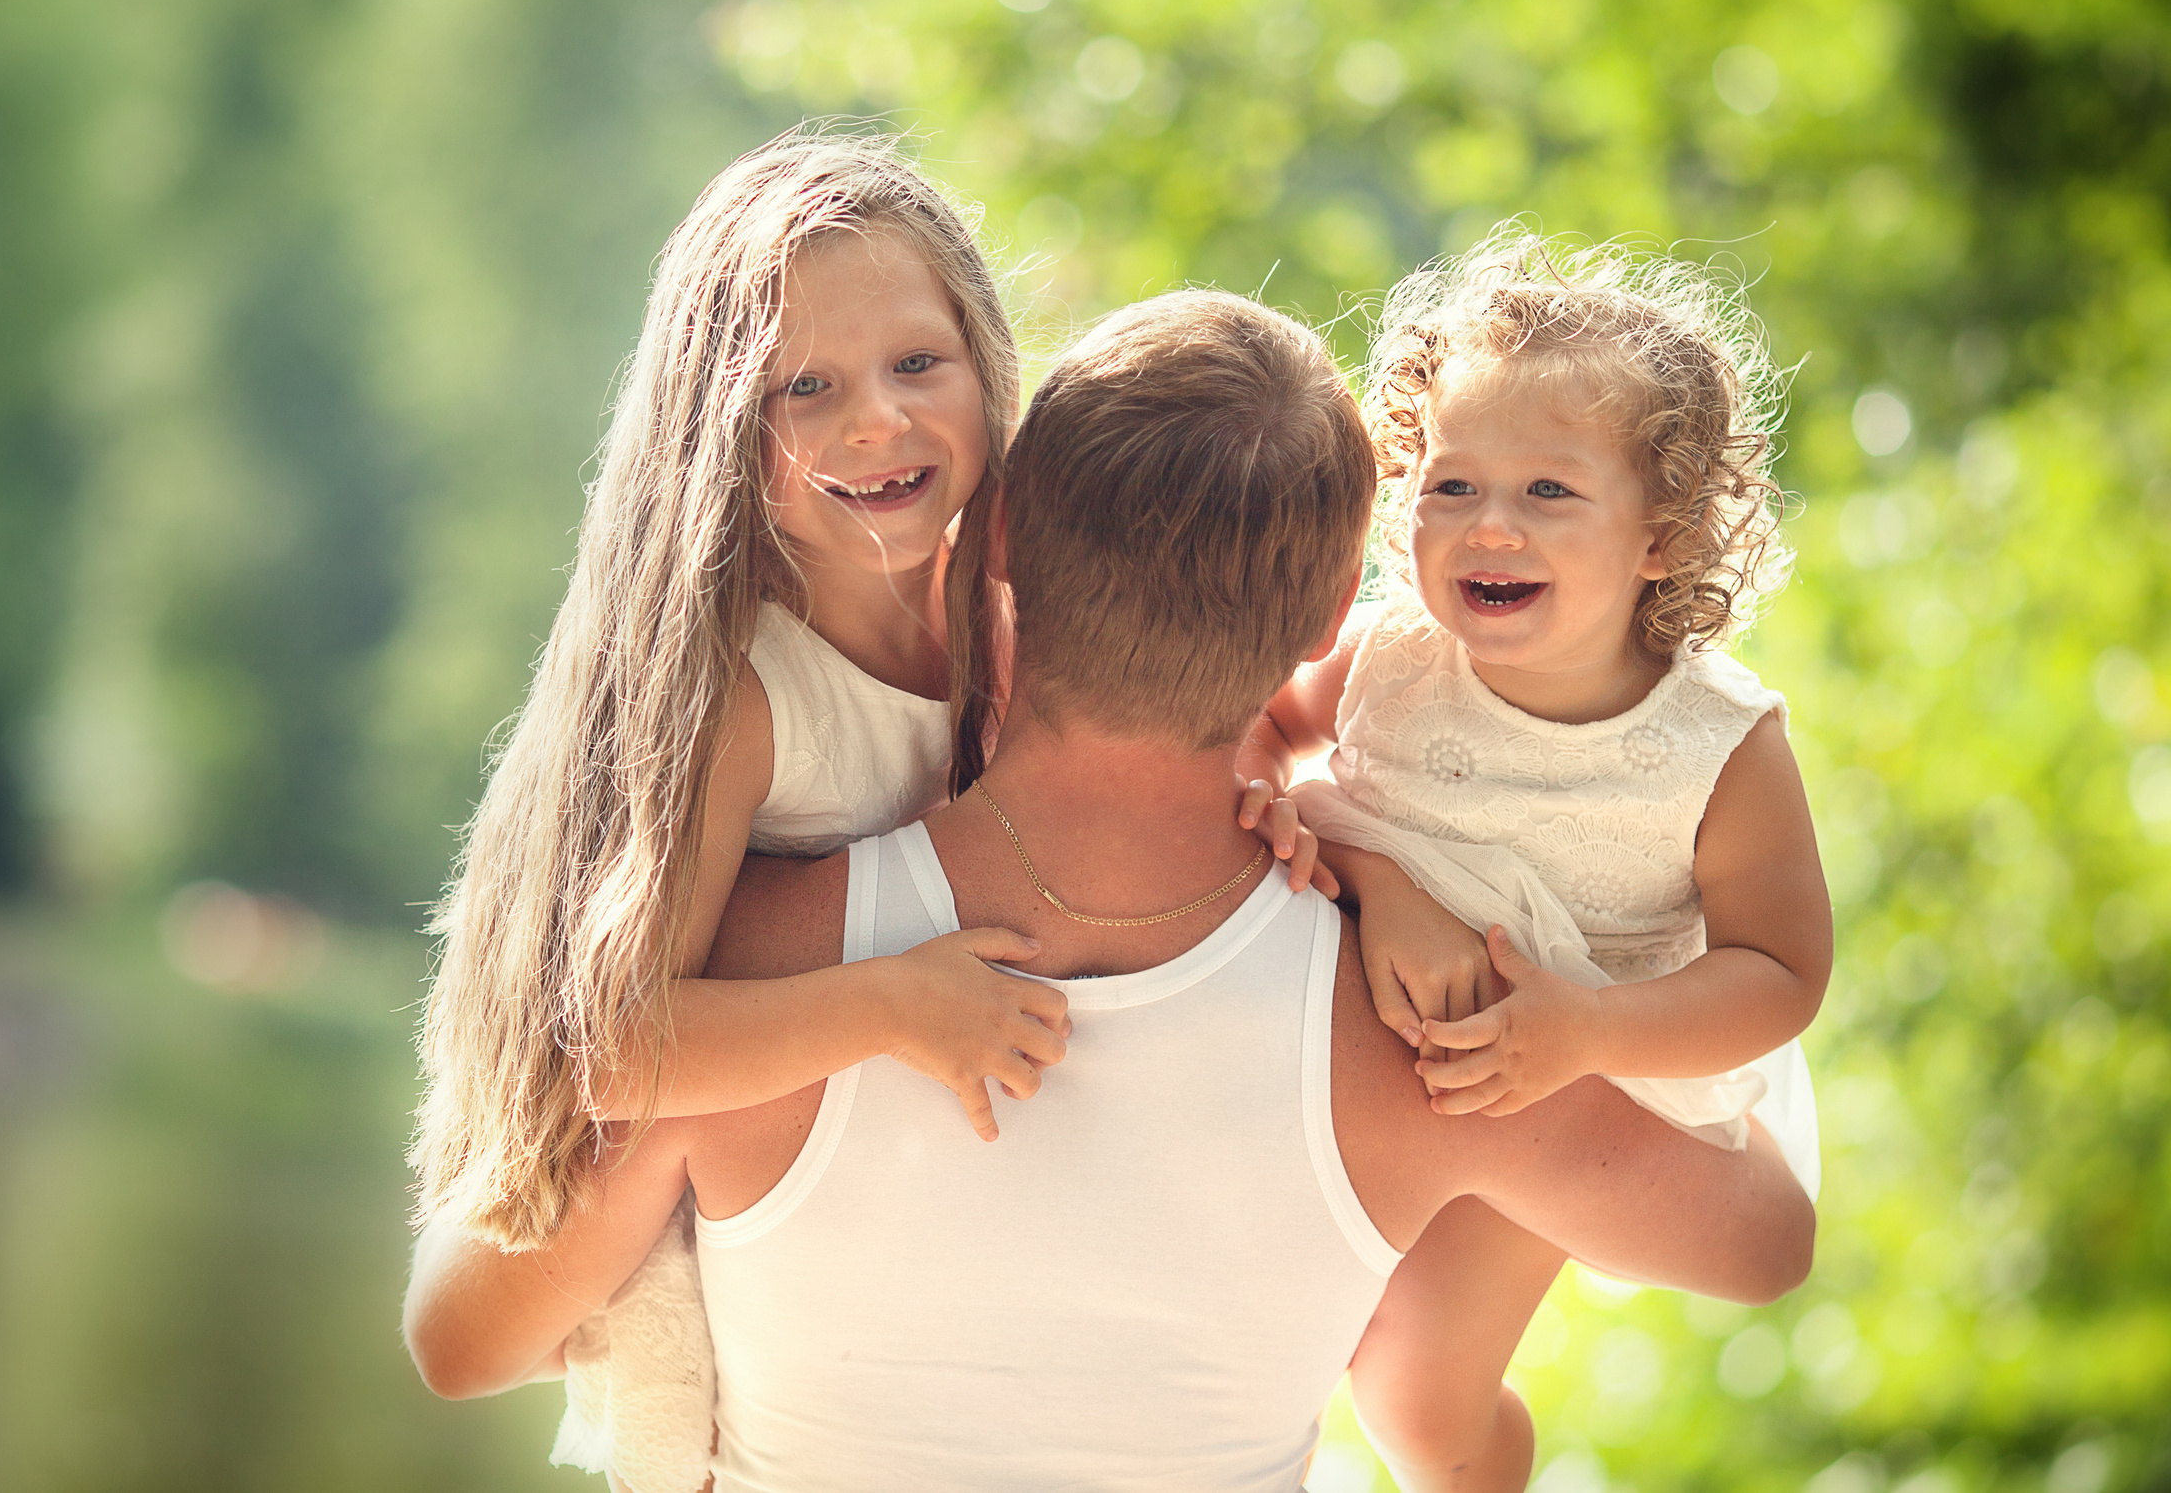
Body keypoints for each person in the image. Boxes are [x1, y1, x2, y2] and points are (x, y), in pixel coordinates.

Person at [404, 288, 1815, 1492]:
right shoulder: (1423, 1033)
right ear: (1340, 616)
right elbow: (1763, 1242)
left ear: (996, 530)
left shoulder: (753, 966)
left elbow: (463, 1339)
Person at [407, 131, 1329, 1492]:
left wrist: (1292, 808)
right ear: (720, 424)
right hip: (664, 1144)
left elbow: (1251, 730)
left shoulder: (1013, 610)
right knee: (562, 1375)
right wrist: (891, 1004)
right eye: (805, 387)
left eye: (917, 365)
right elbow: (600, 1046)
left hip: (851, 1207)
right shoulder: (745, 691)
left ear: (988, 363)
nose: (875, 423)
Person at [1236, 232, 1829, 1493]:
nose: (1486, 527)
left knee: (1411, 1395)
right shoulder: (1388, 651)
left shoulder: (1711, 745)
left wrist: (1590, 1034)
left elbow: (1777, 973)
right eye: (1450, 486)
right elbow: (1257, 737)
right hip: (1373, 1025)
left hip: (1557, 1057)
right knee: (1310, 1343)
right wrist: (1282, 807)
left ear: (1661, 535)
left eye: (1548, 493)